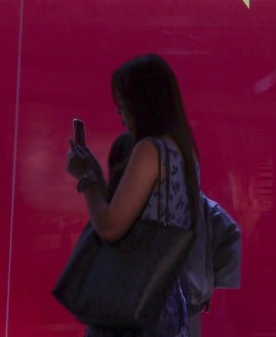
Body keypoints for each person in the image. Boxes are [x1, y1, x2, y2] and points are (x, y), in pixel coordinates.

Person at [66, 53, 201, 337]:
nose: (119, 112)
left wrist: (87, 179)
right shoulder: (183, 151)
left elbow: (111, 227)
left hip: (133, 297)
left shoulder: (150, 150)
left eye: (122, 103)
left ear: (141, 103)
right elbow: (137, 213)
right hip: (166, 298)